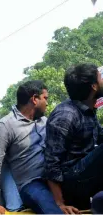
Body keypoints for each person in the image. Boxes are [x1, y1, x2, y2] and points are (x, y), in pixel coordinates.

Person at [0, 80, 63, 214]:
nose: (47, 103)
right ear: (34, 99)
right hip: (32, 184)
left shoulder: (44, 121)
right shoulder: (5, 126)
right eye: (45, 98)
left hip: (55, 179)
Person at [45, 64, 103, 212]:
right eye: (100, 77)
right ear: (94, 86)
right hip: (72, 181)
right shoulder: (65, 115)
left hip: (86, 174)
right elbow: (51, 164)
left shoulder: (88, 110)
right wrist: (59, 204)